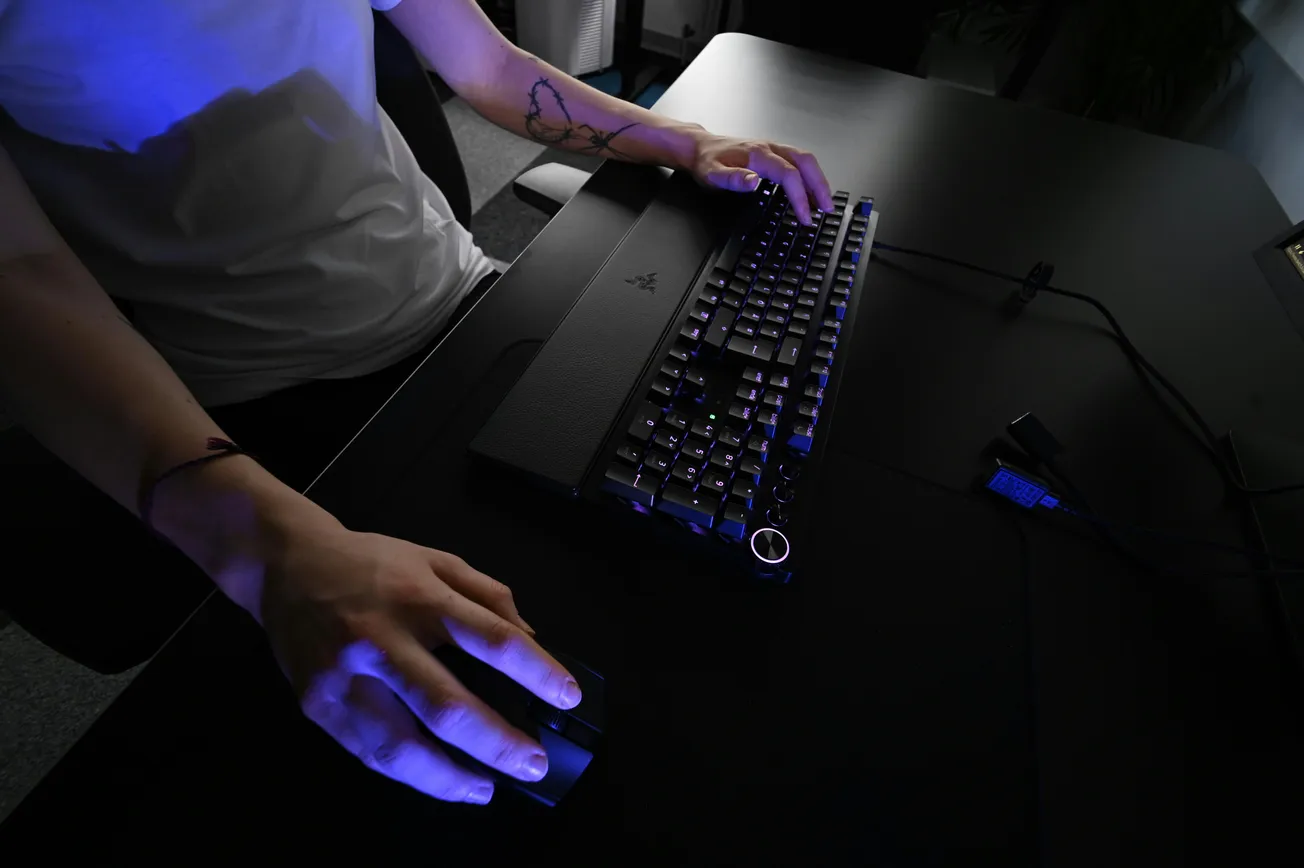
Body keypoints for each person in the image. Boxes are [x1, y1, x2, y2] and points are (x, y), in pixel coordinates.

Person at [0, 0, 833, 805]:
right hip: (255, 407)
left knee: (685, 577)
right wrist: (269, 545)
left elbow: (490, 66)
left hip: (462, 303)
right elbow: (20, 270)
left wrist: (686, 141)